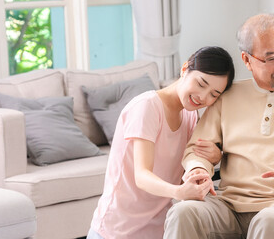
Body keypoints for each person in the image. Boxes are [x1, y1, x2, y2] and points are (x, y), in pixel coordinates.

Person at [163, 14, 274, 239]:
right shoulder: (227, 96)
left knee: (267, 222)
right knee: (183, 212)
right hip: (228, 204)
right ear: (247, 60)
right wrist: (198, 169)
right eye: (271, 58)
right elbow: (196, 150)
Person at [87, 46, 236, 239]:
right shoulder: (147, 107)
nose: (203, 97)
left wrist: (216, 156)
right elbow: (142, 176)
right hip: (116, 231)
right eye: (201, 83)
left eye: (214, 94)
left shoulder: (191, 115)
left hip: (157, 231)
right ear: (185, 69)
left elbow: (186, 164)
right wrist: (180, 192)